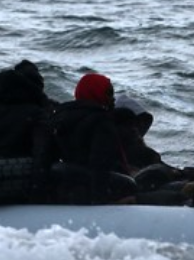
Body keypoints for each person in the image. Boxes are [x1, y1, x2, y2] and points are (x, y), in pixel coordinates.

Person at [46, 72, 135, 204]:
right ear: (97, 93)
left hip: (64, 175)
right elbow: (99, 164)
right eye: (109, 93)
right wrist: (100, 201)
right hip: (90, 181)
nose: (113, 99)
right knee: (131, 184)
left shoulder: (59, 115)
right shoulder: (101, 120)